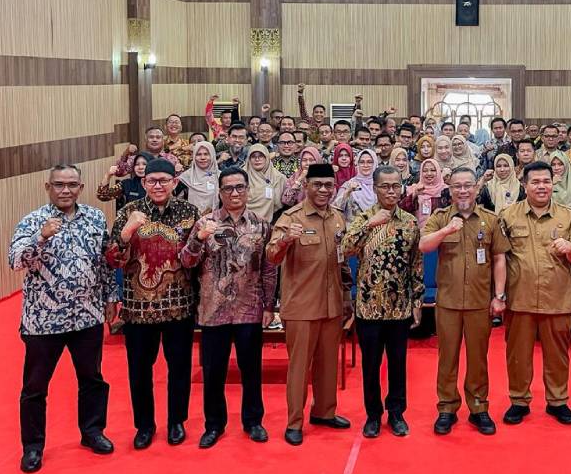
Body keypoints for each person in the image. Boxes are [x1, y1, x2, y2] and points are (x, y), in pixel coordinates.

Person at [9, 164, 119, 473]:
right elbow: (15, 260)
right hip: (43, 321)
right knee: (35, 387)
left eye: (72, 184)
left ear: (81, 188)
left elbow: (104, 263)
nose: (65, 190)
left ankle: (93, 431)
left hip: (87, 316)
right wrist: (40, 238)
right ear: (48, 187)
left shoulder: (95, 218)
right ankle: (33, 447)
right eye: (59, 184)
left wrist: (111, 296)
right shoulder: (33, 221)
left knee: (92, 379)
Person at [106, 158, 200, 449]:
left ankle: (176, 421)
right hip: (138, 308)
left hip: (178, 305)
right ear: (144, 183)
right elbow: (111, 259)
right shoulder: (128, 212)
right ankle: (144, 425)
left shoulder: (189, 212)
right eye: (151, 181)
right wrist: (127, 233)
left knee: (180, 368)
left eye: (164, 180)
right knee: (139, 370)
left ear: (175, 182)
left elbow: (197, 259)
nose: (158, 186)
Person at [179, 168, 275, 448]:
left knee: (251, 369)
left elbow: (269, 269)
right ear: (220, 192)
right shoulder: (205, 223)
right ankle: (214, 424)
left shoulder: (261, 225)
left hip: (249, 308)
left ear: (247, 190)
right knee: (213, 372)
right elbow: (186, 262)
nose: (235, 193)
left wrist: (269, 305)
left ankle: (253, 421)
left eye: (240, 187)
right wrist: (198, 239)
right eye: (228, 188)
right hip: (213, 310)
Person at [267, 163, 354, 446]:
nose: (323, 190)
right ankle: (294, 421)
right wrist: (285, 240)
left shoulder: (338, 218)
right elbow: (271, 256)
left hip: (332, 304)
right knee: (299, 367)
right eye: (317, 185)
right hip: (301, 306)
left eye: (329, 185)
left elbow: (342, 261)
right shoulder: (291, 218)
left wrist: (346, 298)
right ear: (306, 186)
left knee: (328, 363)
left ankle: (324, 412)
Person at [420, 167, 511, 435]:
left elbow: (499, 258)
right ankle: (447, 408)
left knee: (478, 358)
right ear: (450, 190)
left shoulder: (490, 220)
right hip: (448, 302)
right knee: (447, 358)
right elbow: (424, 245)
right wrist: (447, 230)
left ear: (476, 188)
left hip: (479, 302)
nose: (463, 191)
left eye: (468, 185)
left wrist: (499, 296)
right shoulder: (441, 217)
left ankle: (479, 407)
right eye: (457, 186)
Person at [499, 161, 571, 426]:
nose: (541, 186)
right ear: (524, 185)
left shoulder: (568, 216)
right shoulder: (508, 216)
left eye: (546, 181)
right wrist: (499, 295)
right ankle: (519, 400)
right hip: (520, 298)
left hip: (557, 298)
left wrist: (570, 247)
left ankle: (558, 401)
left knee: (558, 356)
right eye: (535, 182)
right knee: (517, 355)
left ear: (553, 184)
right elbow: (498, 257)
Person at [341, 166, 423, 438]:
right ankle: (373, 414)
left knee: (398, 364)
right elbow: (346, 249)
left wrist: (417, 300)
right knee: (371, 365)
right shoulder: (363, 218)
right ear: (375, 189)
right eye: (385, 186)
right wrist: (370, 225)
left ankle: (397, 412)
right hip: (369, 307)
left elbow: (416, 263)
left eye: (396, 186)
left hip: (399, 307)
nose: (391, 191)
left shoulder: (410, 222)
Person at [400, 158, 451, 227]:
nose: (429, 173)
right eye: (425, 171)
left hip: (441, 231)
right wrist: (414, 195)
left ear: (438, 172)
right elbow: (401, 212)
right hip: (417, 231)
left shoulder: (446, 190)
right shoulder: (413, 189)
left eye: (433, 170)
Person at [333, 148, 379, 223]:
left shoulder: (380, 184)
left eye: (369, 162)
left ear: (375, 164)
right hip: (353, 228)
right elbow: (335, 209)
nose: (365, 165)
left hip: (377, 227)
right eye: (362, 162)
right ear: (357, 164)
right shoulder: (349, 184)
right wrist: (348, 192)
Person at [242, 145, 285, 222]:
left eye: (261, 156)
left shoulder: (278, 178)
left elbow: (282, 203)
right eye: (253, 156)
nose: (257, 159)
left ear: (267, 158)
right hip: (243, 221)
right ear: (249, 159)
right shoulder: (241, 177)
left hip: (272, 222)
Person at [177, 141, 220, 215]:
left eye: (206, 154)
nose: (202, 158)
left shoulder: (221, 177)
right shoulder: (186, 177)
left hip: (217, 219)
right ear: (194, 156)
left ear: (212, 155)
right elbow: (177, 202)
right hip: (189, 219)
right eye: (198, 154)